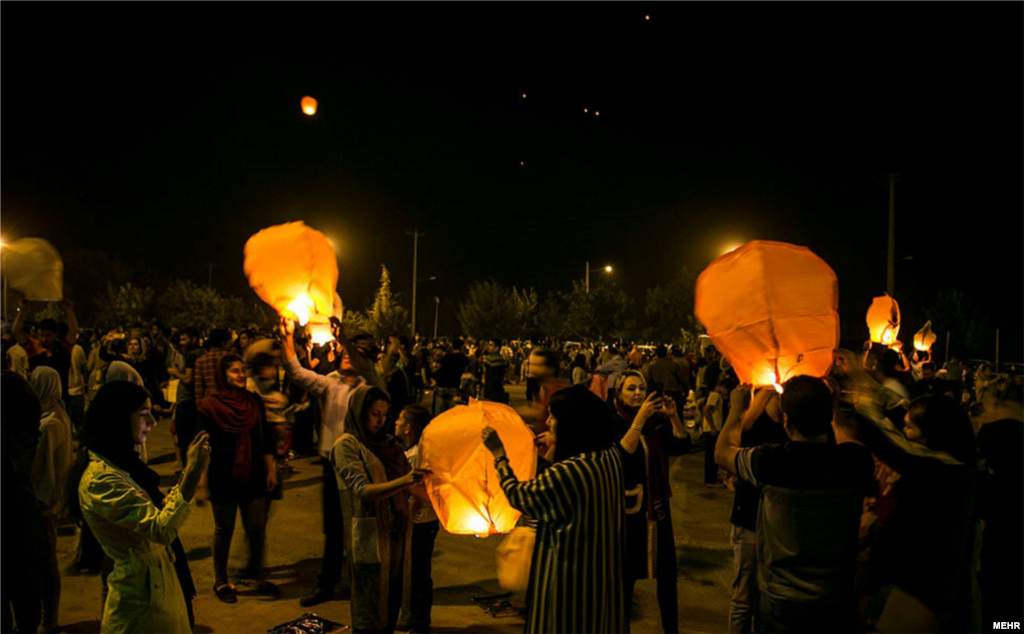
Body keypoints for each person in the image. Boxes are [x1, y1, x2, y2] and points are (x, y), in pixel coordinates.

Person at [716, 376, 876, 634]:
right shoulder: (855, 461)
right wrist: (832, 407)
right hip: (836, 597)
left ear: (786, 421)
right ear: (829, 416)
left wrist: (737, 408)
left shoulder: (771, 462)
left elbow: (722, 453)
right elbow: (847, 439)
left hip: (782, 598)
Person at [482, 385, 626, 634]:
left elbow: (520, 496)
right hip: (601, 575)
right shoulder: (609, 456)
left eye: (554, 416)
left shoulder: (571, 471)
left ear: (572, 422)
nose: (548, 422)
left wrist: (499, 456)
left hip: (568, 582)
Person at [72, 381, 211, 634]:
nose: (153, 423)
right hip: (139, 593)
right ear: (117, 419)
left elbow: (156, 511)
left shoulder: (122, 463)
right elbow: (161, 529)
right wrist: (191, 474)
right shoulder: (100, 479)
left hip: (157, 580)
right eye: (143, 415)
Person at [847, 392, 980, 633]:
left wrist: (854, 415)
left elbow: (891, 449)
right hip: (910, 591)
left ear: (934, 432)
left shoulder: (944, 474)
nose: (904, 433)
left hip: (918, 595)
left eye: (909, 427)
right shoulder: (955, 471)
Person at [280, 317, 387, 607]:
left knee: (362, 529)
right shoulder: (331, 384)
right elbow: (296, 372)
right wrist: (287, 337)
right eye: (346, 351)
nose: (349, 355)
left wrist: (347, 339)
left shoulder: (372, 387)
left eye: (356, 352)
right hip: (331, 467)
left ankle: (363, 587)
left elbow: (367, 368)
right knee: (334, 530)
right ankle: (327, 585)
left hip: (362, 469)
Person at [332, 386, 427, 634]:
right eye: (375, 413)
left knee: (392, 604)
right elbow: (362, 490)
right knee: (369, 609)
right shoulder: (347, 446)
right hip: (369, 535)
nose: (381, 420)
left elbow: (413, 487)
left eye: (385, 414)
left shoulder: (390, 444)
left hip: (397, 531)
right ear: (360, 412)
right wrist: (406, 481)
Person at [612, 370, 693, 634]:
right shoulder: (613, 421)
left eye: (641, 388)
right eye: (631, 389)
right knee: (626, 578)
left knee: (667, 576)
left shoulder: (656, 422)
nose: (637, 393)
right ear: (619, 394)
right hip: (628, 511)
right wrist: (640, 418)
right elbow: (622, 455)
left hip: (658, 510)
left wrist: (673, 418)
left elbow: (680, 447)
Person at [198, 354, 278, 603]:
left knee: (256, 527)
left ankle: (257, 575)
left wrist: (271, 469)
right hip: (223, 475)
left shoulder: (253, 401)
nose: (241, 375)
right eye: (235, 371)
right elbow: (201, 447)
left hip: (253, 473)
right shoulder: (209, 407)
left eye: (243, 370)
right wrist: (201, 483)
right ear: (223, 375)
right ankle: (221, 581)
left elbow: (264, 438)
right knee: (225, 529)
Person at [726, 386, 789, 634]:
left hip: (780, 527)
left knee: (770, 597)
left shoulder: (794, 428)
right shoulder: (755, 422)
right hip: (749, 518)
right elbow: (733, 439)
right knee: (743, 596)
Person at [28, 367, 73, 634]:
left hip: (45, 504)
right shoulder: (58, 413)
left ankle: (49, 619)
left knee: (45, 564)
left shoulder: (49, 424)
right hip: (52, 501)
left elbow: (40, 471)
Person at [1, 370, 46, 634]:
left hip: (8, 519)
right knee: (27, 585)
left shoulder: (6, 438)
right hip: (27, 516)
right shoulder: (30, 429)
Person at [395, 405, 438, 634]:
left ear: (409, 428)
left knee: (418, 574)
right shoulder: (420, 451)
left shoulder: (414, 457)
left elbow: (426, 494)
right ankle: (414, 618)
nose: (395, 423)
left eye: (400, 420)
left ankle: (419, 623)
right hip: (425, 522)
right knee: (418, 573)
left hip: (420, 522)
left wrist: (407, 486)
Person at [12, 299, 80, 401]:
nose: (44, 339)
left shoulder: (63, 349)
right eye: (41, 335)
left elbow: (73, 332)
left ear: (56, 334)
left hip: (60, 399)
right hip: (38, 399)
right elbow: (16, 332)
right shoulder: (35, 348)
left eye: (48, 335)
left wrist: (69, 311)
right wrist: (22, 311)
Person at [521, 348, 570, 433]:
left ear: (551, 369)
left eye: (538, 365)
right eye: (530, 364)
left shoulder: (561, 394)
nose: (532, 369)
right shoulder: (542, 389)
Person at [194, 328, 233, 402]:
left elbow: (198, 388)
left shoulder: (201, 360)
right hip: (229, 400)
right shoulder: (232, 357)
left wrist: (199, 404)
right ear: (223, 342)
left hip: (209, 402)